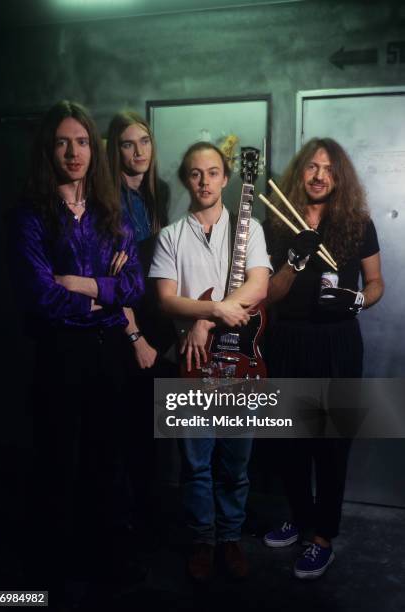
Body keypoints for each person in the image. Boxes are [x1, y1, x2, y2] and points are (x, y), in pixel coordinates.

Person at [8, 100, 145, 594]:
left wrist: (84, 286)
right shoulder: (30, 215)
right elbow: (42, 297)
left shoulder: (111, 212)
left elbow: (133, 287)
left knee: (106, 462)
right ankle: (50, 579)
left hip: (108, 354)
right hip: (58, 356)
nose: (74, 152)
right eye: (63, 141)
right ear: (49, 148)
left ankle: (104, 566)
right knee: (57, 465)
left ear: (94, 148)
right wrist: (102, 297)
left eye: (83, 141)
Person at [261, 138, 384, 579]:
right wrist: (294, 261)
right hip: (287, 340)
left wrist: (356, 302)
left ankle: (323, 537)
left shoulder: (357, 223)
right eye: (311, 167)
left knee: (331, 445)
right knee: (289, 441)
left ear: (339, 176)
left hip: (338, 342)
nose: (318, 176)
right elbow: (267, 295)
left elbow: (376, 284)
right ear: (301, 173)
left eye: (328, 169)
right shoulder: (276, 223)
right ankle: (299, 515)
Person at [149, 141, 271, 581]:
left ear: (226, 177)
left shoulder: (251, 229)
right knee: (196, 465)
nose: (204, 181)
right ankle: (202, 540)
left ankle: (230, 537)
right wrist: (212, 312)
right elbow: (165, 301)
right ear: (186, 179)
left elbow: (257, 286)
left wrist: (207, 321)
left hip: (240, 365)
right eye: (196, 173)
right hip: (191, 364)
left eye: (213, 172)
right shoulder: (170, 237)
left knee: (236, 466)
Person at [106, 111, 177, 541]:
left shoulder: (158, 194)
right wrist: (134, 336)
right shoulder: (105, 200)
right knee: (125, 427)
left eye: (145, 142)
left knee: (152, 429)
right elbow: (111, 282)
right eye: (129, 144)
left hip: (158, 319)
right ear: (114, 151)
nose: (139, 152)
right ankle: (125, 524)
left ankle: (149, 515)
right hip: (125, 324)